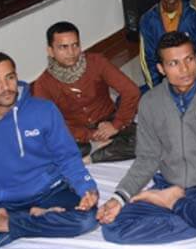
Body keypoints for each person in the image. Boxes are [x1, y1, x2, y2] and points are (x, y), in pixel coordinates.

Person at [98, 32, 196, 246]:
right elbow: (147, 158)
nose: (184, 69)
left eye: (189, 59)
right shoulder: (150, 103)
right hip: (169, 182)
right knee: (114, 228)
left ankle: (175, 203)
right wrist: (119, 197)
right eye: (173, 63)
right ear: (161, 69)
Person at [0, 52, 99, 249]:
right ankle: (24, 222)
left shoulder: (43, 110)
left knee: (86, 220)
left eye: (10, 77)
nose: (6, 86)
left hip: (50, 194)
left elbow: (67, 157)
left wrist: (86, 188)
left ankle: (6, 225)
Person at [33, 21, 140, 162]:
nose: (71, 52)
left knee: (146, 139)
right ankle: (103, 148)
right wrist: (89, 135)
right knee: (49, 149)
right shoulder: (43, 84)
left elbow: (131, 91)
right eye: (63, 47)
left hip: (107, 120)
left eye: (75, 45)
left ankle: (92, 158)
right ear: (50, 51)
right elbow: (49, 123)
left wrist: (116, 125)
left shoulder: (97, 62)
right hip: (75, 132)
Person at [139, 0, 196, 89]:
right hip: (162, 80)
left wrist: (188, 85)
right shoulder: (147, 20)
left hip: (191, 79)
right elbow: (148, 60)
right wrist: (159, 89)